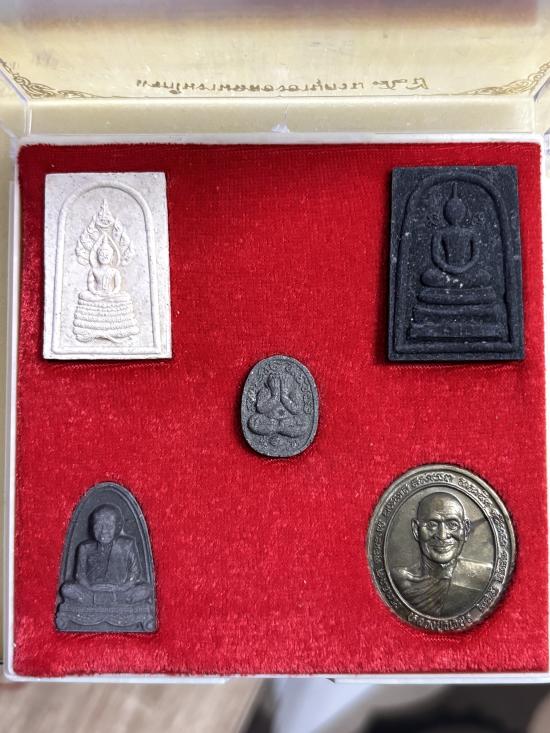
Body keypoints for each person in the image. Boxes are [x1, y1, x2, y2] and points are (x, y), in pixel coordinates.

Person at [392, 491, 492, 617]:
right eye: (432, 524)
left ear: (466, 530)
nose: (442, 535)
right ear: (416, 530)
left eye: (452, 524)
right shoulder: (400, 581)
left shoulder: (483, 577)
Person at [60, 504, 152, 607]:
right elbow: (80, 575)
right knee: (67, 589)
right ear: (92, 526)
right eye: (98, 526)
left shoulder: (127, 545)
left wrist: (121, 588)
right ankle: (110, 601)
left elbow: (135, 573)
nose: (103, 531)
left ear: (118, 527)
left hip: (119, 591)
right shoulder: (85, 548)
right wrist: (90, 587)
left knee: (146, 589)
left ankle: (102, 601)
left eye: (109, 526)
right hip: (91, 591)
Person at [248, 372, 309, 439]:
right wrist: (275, 396)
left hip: (288, 421)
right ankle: (280, 428)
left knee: (305, 421)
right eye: (276, 382)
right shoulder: (265, 391)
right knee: (253, 421)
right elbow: (261, 409)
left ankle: (277, 428)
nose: (279, 385)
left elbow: (297, 410)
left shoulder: (294, 392)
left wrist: (284, 396)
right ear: (269, 383)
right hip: (269, 420)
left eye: (283, 382)